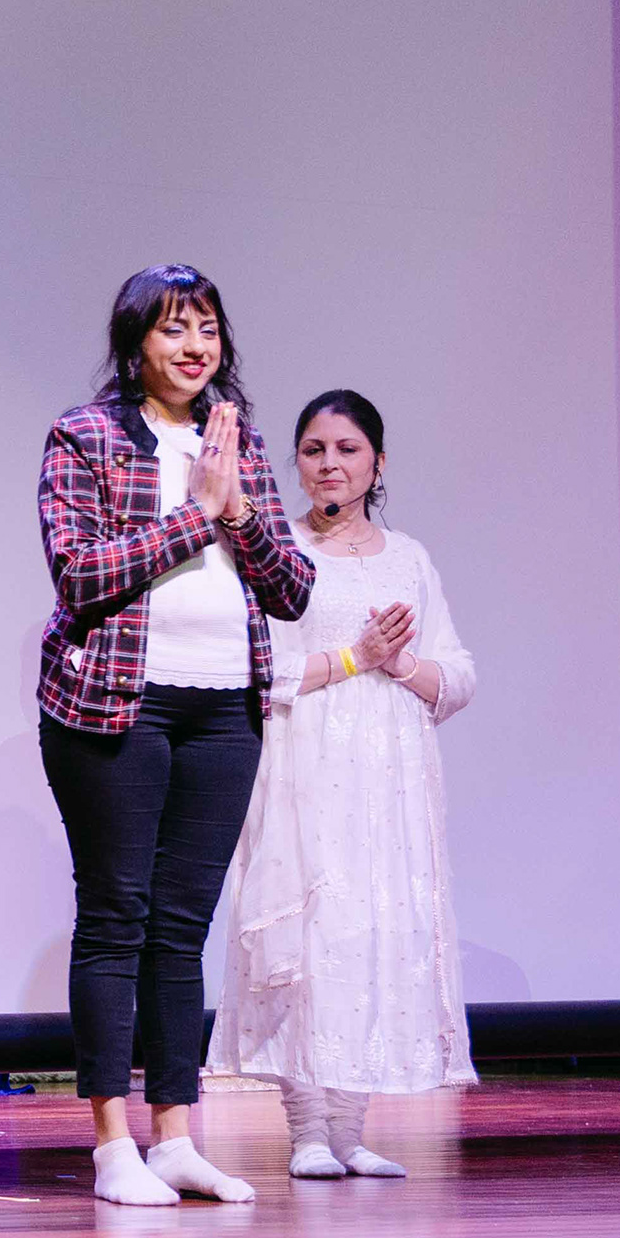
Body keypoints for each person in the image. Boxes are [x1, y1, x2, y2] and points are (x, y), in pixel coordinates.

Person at [33, 264, 313, 1209]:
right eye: (173, 329)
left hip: (224, 709)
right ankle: (112, 1143)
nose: (195, 347)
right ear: (133, 346)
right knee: (117, 915)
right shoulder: (85, 435)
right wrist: (195, 514)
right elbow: (78, 571)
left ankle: (177, 1137)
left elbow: (292, 589)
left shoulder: (238, 441)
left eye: (207, 329)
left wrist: (237, 508)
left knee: (182, 929)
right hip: (115, 703)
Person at [208, 390, 478, 1175]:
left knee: (368, 933)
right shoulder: (275, 548)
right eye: (314, 448)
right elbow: (257, 668)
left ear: (378, 463)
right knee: (310, 927)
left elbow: (458, 675)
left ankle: (351, 1130)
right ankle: (306, 1132)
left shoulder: (409, 558)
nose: (330, 463)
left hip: (389, 774)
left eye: (348, 448)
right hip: (304, 758)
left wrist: (400, 663)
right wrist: (355, 656)